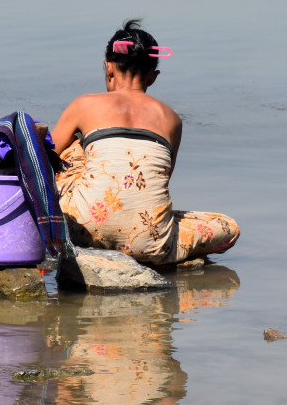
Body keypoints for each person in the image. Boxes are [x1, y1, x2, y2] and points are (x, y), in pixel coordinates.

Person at [51, 20, 239, 265]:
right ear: (153, 77)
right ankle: (145, 239)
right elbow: (159, 181)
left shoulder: (84, 104)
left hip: (81, 230)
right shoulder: (171, 119)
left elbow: (42, 158)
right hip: (150, 243)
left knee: (72, 147)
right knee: (227, 226)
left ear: (108, 68)